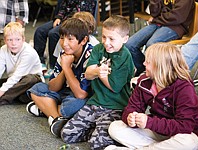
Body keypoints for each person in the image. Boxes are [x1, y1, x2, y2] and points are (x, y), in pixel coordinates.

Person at [105, 43, 198, 150]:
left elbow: (185, 125)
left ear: (160, 66)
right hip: (156, 131)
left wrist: (149, 122)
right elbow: (131, 108)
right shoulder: (143, 81)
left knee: (190, 143)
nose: (143, 63)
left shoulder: (184, 87)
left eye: (148, 62)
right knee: (115, 127)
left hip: (181, 133)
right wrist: (130, 117)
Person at [60, 15, 135, 150]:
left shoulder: (125, 56)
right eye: (104, 37)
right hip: (95, 102)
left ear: (125, 39)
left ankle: (99, 132)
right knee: (67, 135)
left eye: (112, 39)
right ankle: (96, 129)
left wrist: (99, 73)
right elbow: (88, 74)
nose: (106, 42)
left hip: (115, 106)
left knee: (96, 145)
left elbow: (114, 87)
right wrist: (99, 72)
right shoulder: (98, 49)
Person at [26, 18, 93, 137]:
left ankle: (45, 109)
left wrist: (67, 68)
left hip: (78, 96)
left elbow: (81, 94)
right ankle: (57, 119)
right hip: (63, 92)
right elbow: (52, 87)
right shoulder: (64, 52)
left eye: (70, 39)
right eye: (62, 38)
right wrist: (64, 68)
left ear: (83, 40)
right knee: (36, 88)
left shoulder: (90, 55)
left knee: (71, 107)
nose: (64, 43)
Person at [125, 0, 195, 76]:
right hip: (159, 23)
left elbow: (177, 17)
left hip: (176, 26)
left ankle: (156, 74)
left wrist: (156, 19)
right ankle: (144, 70)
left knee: (152, 45)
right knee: (129, 44)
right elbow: (154, 13)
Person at [33, 0, 96, 77]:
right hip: (64, 20)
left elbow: (84, 13)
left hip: (75, 21)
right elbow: (62, 8)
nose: (64, 43)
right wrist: (58, 17)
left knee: (53, 33)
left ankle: (52, 66)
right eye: (63, 39)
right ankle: (40, 61)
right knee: (40, 31)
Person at [0, 22, 43, 105]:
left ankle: (4, 99)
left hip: (32, 81)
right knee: (5, 83)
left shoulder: (29, 52)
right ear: (5, 40)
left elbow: (18, 75)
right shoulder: (3, 49)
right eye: (10, 40)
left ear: (23, 39)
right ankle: (16, 95)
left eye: (17, 39)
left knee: (30, 79)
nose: (13, 43)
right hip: (15, 80)